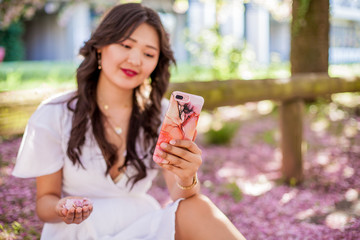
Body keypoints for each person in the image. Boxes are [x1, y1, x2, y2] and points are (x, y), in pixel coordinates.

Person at [12, 3, 246, 240]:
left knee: (198, 206)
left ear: (157, 63)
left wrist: (187, 177)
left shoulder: (162, 115)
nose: (135, 60)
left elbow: (181, 196)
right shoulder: (56, 114)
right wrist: (63, 207)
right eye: (126, 45)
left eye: (148, 53)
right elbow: (44, 202)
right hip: (79, 231)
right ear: (101, 46)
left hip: (141, 226)